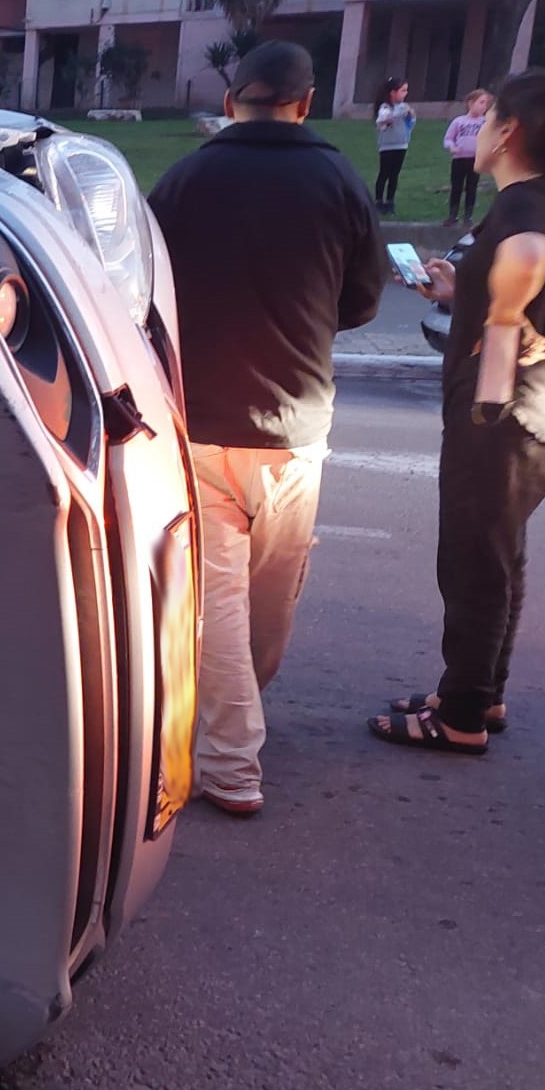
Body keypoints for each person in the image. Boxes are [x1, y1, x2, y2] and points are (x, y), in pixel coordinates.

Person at [148, 41, 386, 816]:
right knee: (268, 596)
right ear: (306, 102)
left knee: (218, 597)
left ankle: (225, 741)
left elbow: (142, 292)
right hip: (297, 427)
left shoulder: (185, 179)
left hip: (202, 421)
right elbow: (362, 303)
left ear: (229, 102)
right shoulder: (340, 179)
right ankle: (234, 756)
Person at [371, 70, 545, 754]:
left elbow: (516, 298)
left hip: (505, 416)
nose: (479, 129)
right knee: (498, 557)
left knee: (474, 562)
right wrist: (454, 290)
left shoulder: (527, 217)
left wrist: (484, 413)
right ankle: (478, 690)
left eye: (489, 117)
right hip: (537, 409)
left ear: (510, 132)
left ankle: (461, 717)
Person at [443, 89, 491, 226]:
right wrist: (452, 147)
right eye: (481, 102)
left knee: (472, 187)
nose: (484, 106)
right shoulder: (459, 121)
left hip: (475, 159)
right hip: (459, 159)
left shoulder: (485, 123)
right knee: (456, 187)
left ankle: (468, 216)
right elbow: (448, 139)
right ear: (471, 103)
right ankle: (453, 215)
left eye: (486, 103)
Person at [372, 77, 416, 214]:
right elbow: (382, 121)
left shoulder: (404, 107)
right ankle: (379, 202)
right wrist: (398, 113)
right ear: (393, 92)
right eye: (402, 90)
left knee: (394, 174)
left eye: (406, 91)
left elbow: (410, 124)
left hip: (401, 144)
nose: (405, 93)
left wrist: (411, 116)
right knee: (384, 173)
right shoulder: (385, 107)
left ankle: (390, 201)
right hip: (387, 145)